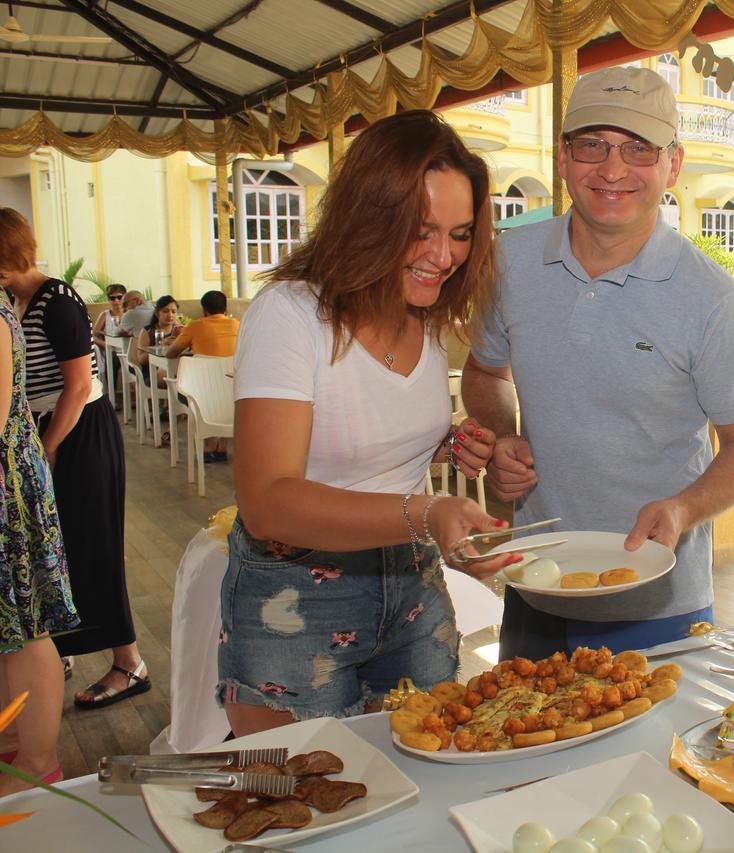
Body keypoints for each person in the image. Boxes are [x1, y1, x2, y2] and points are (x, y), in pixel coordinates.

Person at [225, 109, 519, 737]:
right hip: (295, 594)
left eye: (461, 234)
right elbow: (267, 502)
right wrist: (426, 513)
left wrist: (448, 443)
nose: (443, 257)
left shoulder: (428, 315)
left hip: (410, 586)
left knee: (425, 772)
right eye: (421, 231)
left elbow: (370, 441)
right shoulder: (290, 315)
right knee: (301, 796)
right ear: (368, 216)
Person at [462, 66, 734, 660]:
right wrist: (503, 436)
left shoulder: (711, 297)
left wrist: (684, 508)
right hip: (537, 584)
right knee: (523, 743)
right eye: (592, 145)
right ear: (563, 157)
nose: (612, 169)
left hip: (659, 599)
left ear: (672, 166)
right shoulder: (508, 263)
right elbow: (484, 372)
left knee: (656, 756)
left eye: (638, 149)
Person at [0, 208, 146, 711]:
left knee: (93, 546)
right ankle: (55, 650)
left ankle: (130, 662)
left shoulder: (55, 298)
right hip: (50, 429)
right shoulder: (16, 301)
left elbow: (79, 385)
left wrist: (46, 449)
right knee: (54, 550)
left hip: (78, 428)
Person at [0, 285, 79, 797]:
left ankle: (37, 763)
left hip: (7, 483)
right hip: (12, 472)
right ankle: (12, 739)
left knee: (26, 626)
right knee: (9, 625)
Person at [166, 289, 240, 462]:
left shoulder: (195, 326)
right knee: (227, 393)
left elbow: (171, 353)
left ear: (204, 310)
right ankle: (221, 446)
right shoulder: (236, 324)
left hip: (201, 394)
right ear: (226, 309)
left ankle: (208, 445)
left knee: (192, 392)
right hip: (232, 391)